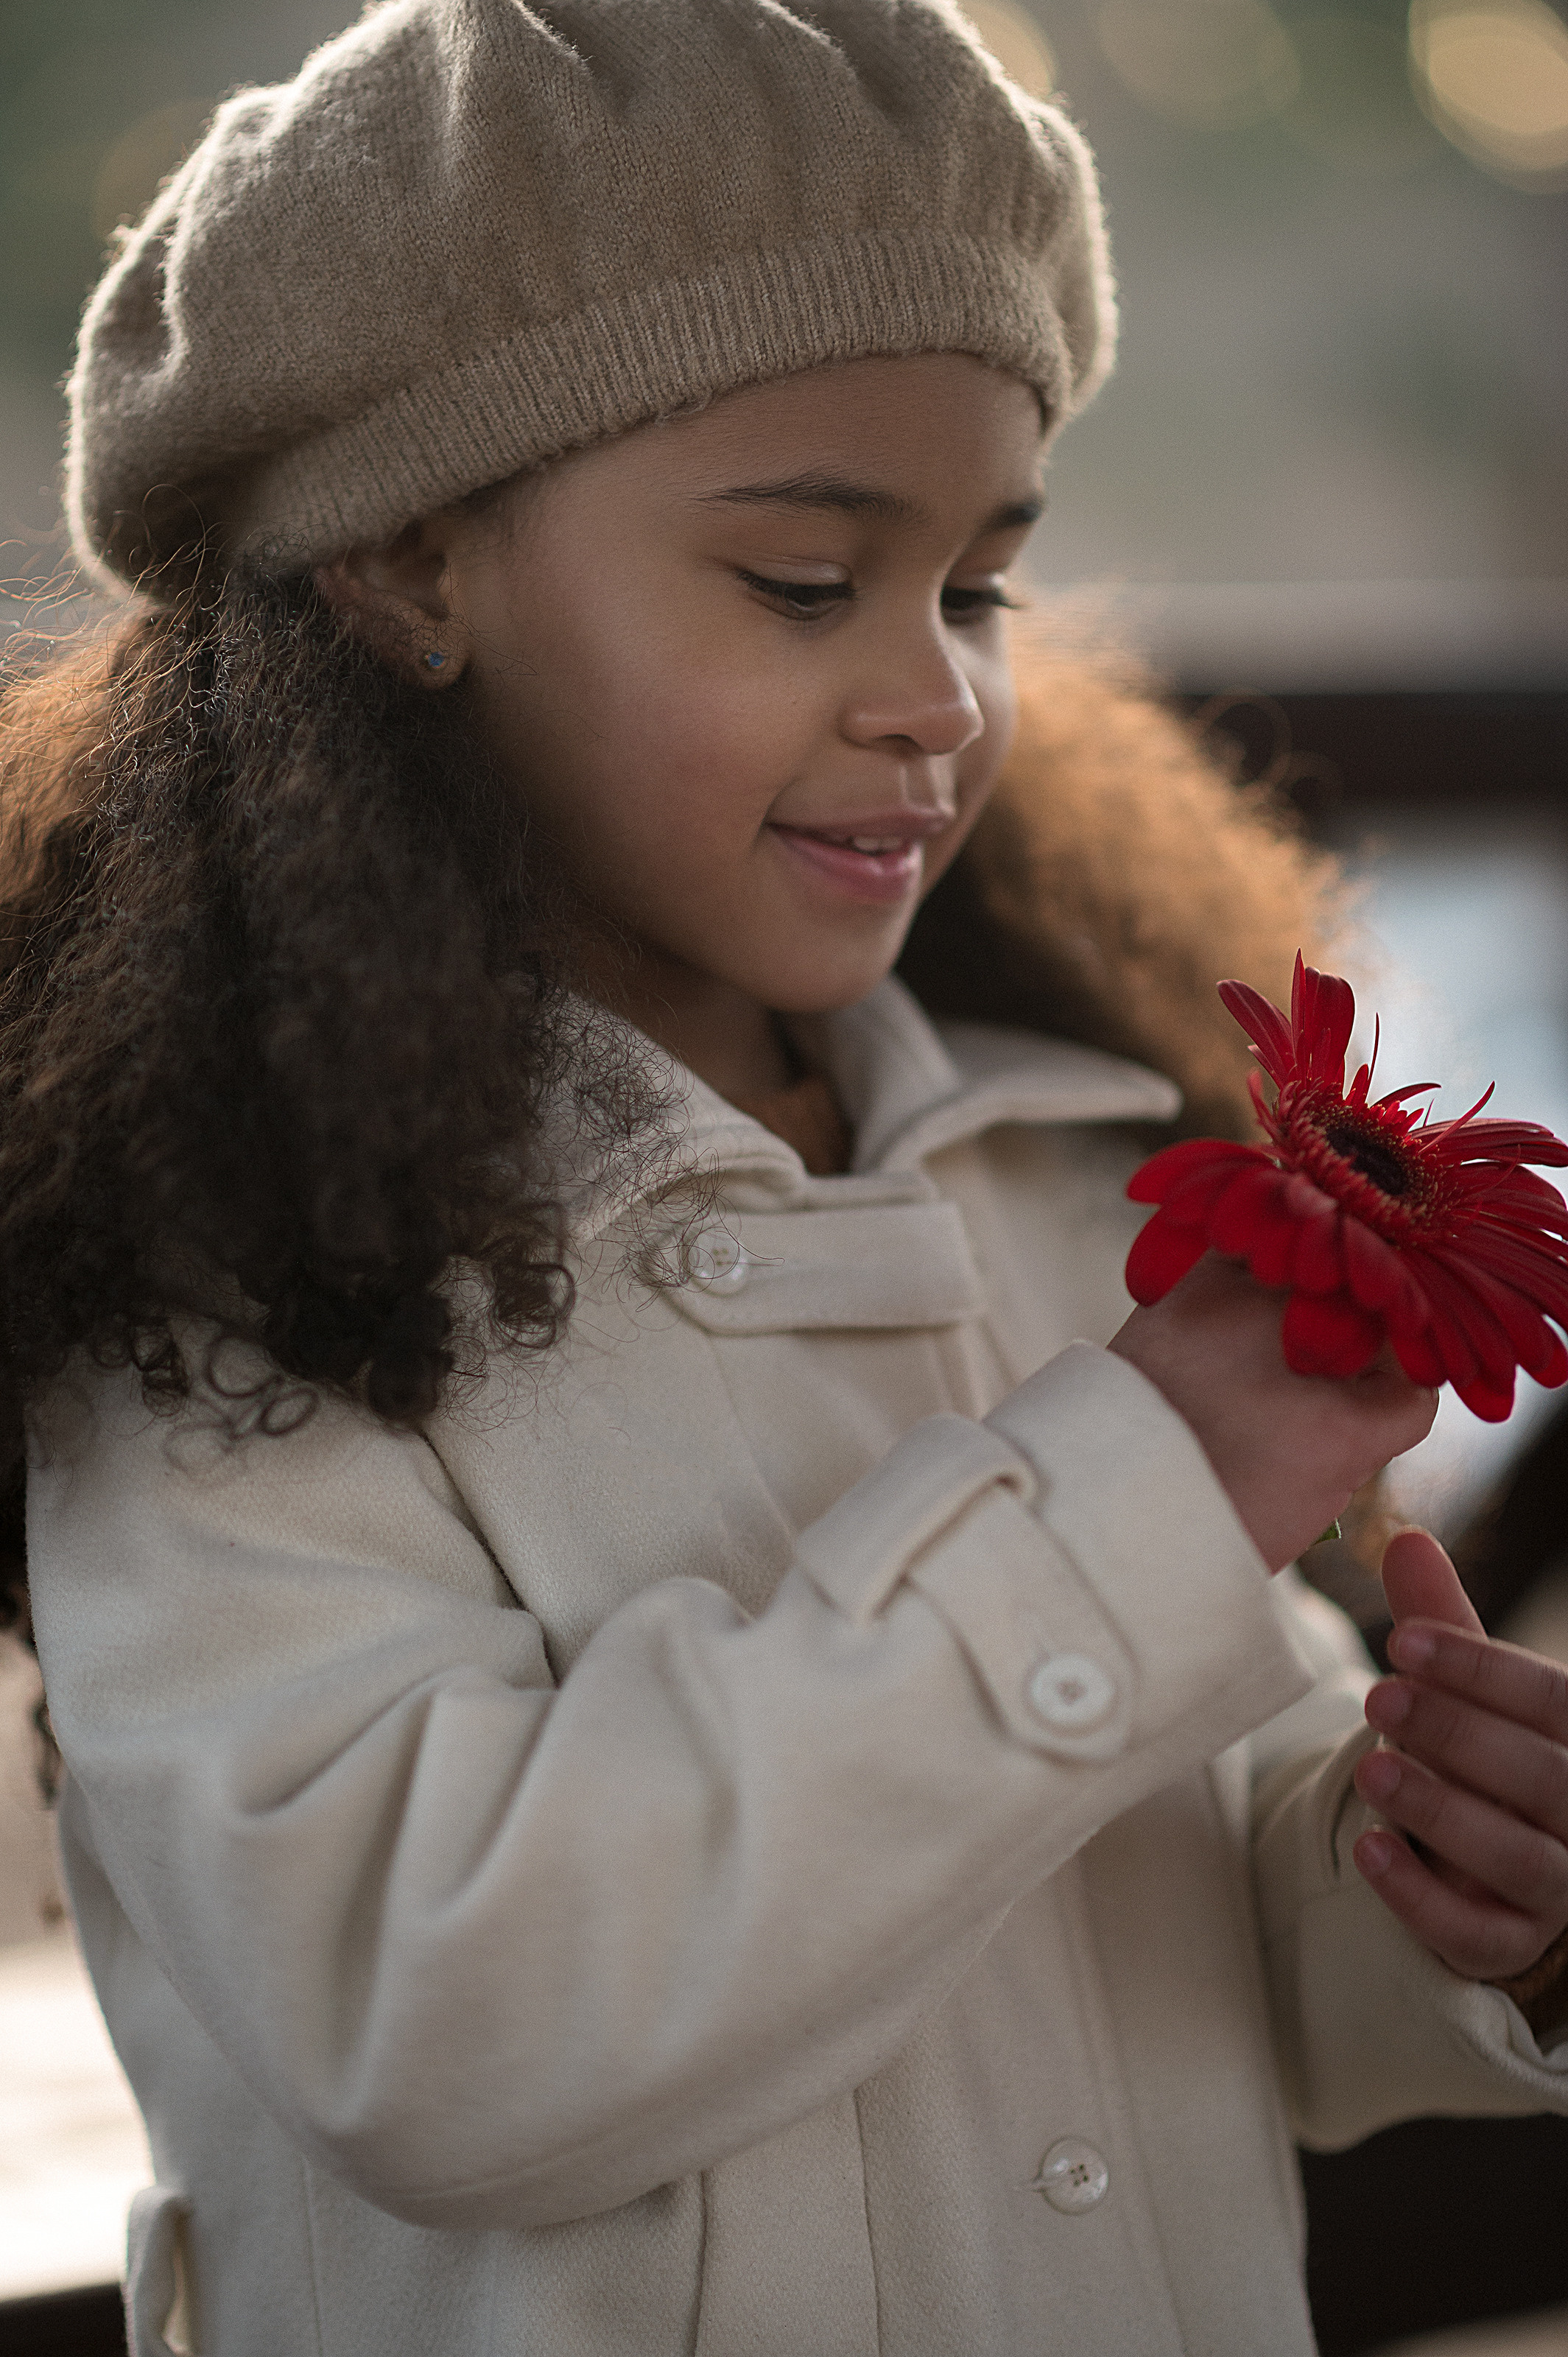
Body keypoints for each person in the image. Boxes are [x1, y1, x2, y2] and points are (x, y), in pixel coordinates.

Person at [7, 1, 1568, 2350]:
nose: (938, 693)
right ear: (404, 573)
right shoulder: (229, 1287)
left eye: (978, 586)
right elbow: (442, 2039)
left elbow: (1177, 1920)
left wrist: (1431, 1888)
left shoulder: (1053, 1164)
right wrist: (1134, 1479)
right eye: (805, 582)